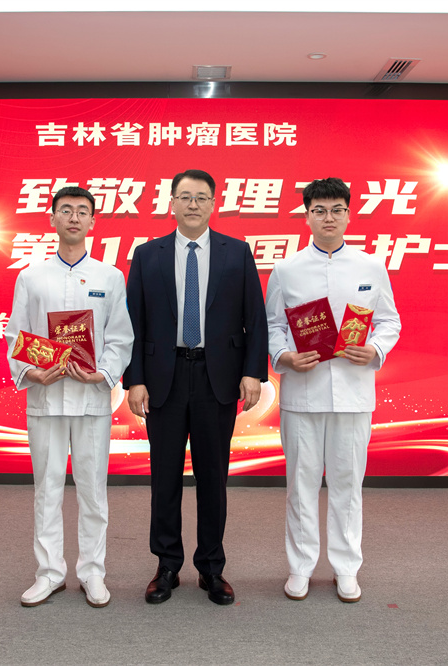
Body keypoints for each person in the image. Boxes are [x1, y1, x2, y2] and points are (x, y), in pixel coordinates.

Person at [124, 169, 268, 605]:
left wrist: (253, 372)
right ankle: (167, 565)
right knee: (164, 476)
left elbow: (254, 317)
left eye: (201, 197)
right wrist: (135, 379)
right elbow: (133, 322)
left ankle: (211, 567)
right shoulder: (147, 255)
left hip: (215, 377)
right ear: (171, 202)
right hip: (163, 378)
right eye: (184, 196)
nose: (192, 204)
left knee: (213, 476)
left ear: (213, 204)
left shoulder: (236, 252)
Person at [265, 177, 401, 603]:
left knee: (347, 484)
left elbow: (389, 321)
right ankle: (300, 567)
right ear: (306, 216)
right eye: (319, 210)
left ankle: (346, 568)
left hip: (354, 391)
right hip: (302, 393)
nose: (329, 218)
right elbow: (273, 325)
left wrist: (375, 349)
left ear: (348, 214)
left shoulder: (370, 266)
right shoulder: (287, 269)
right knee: (300, 485)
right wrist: (284, 356)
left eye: (337, 210)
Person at [6, 186, 134, 608]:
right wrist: (30, 372)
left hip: (91, 400)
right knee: (46, 487)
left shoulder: (109, 277)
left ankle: (93, 572)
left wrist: (103, 373)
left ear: (93, 221)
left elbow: (120, 337)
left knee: (93, 489)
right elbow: (16, 335)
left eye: (82, 211)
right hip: (45, 398)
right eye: (66, 210)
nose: (74, 217)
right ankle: (49, 573)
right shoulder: (32, 276)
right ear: (53, 219)